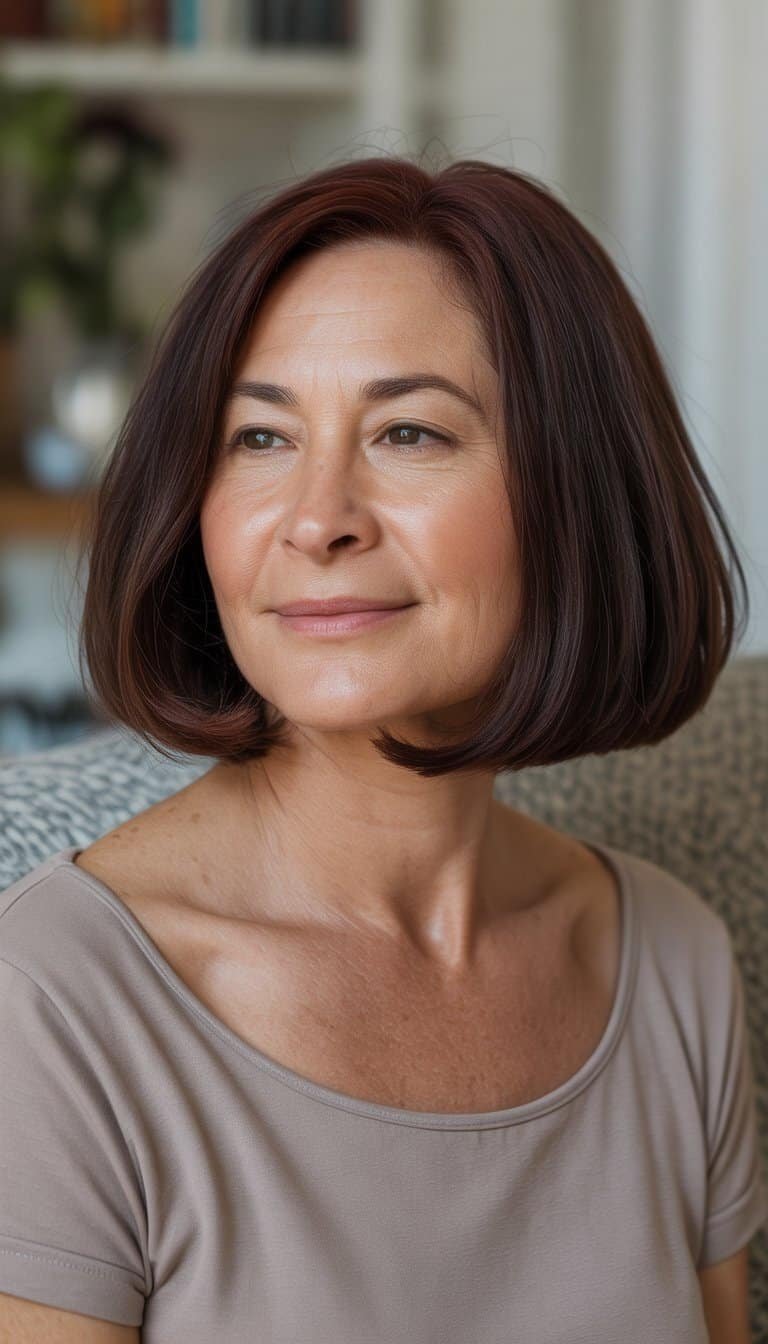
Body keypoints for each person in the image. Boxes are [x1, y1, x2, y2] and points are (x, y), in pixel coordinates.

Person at [0, 155, 765, 1343]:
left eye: (408, 430)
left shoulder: (673, 962)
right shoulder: (48, 1001)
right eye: (258, 439)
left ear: (577, 492)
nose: (317, 518)